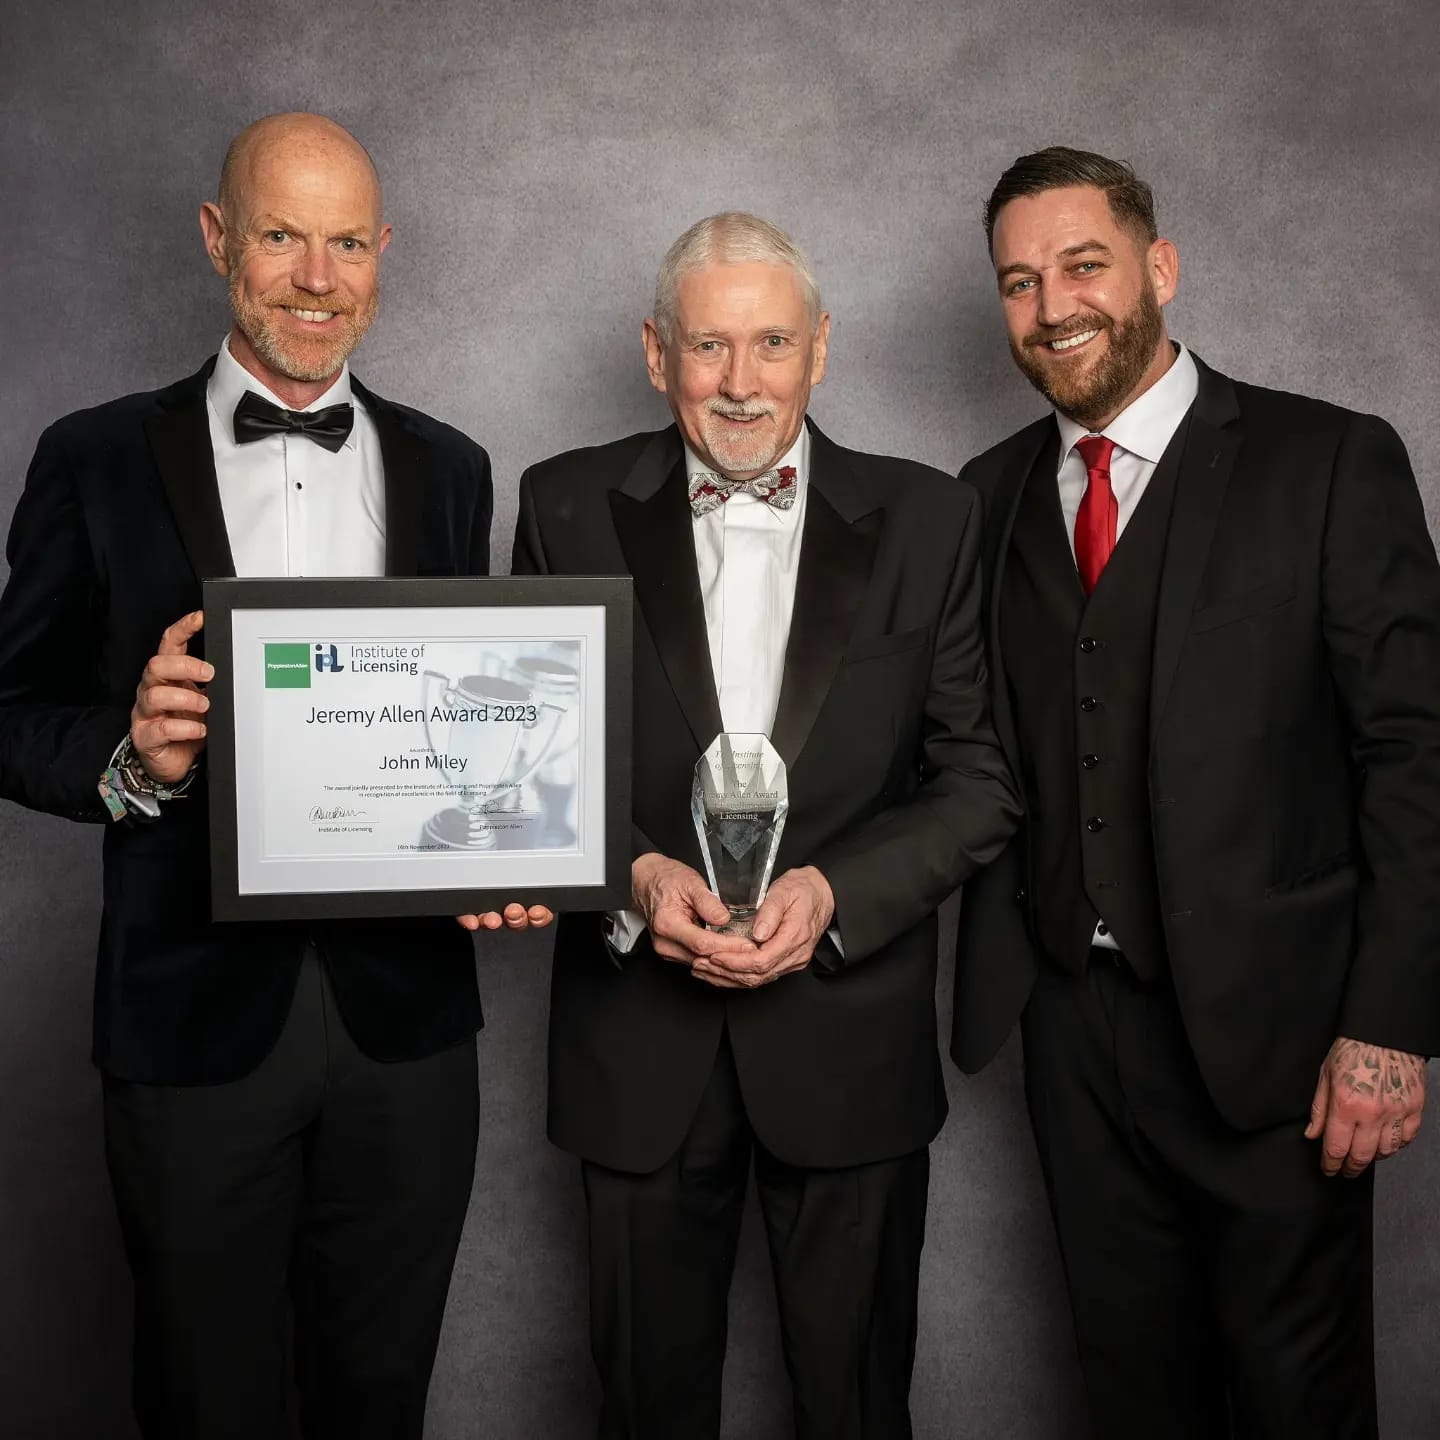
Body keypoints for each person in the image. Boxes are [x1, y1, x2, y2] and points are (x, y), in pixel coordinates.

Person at [0, 112, 548, 1440]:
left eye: (347, 241)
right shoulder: (96, 456)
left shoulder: (451, 465)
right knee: (204, 1395)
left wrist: (501, 843)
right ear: (217, 240)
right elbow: (10, 710)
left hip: (406, 1031)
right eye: (284, 237)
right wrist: (128, 758)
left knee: (380, 1395)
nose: (318, 277)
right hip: (190, 1021)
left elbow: (458, 722)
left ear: (384, 254)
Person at [951, 145, 1440, 1438]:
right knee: (1130, 1395)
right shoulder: (986, 500)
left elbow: (1416, 752)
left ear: (1158, 269)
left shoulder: (1328, 461)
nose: (1053, 305)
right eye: (1018, 280)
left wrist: (1389, 1023)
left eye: (1083, 264)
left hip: (1283, 1042)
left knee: (1298, 1401)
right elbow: (967, 761)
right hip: (1073, 1035)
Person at [513, 211, 1019, 1440]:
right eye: (709, 348)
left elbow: (977, 780)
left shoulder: (930, 518)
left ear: (822, 349)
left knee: (855, 1409)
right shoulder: (563, 504)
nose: (741, 384)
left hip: (850, 1049)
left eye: (773, 344)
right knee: (645, 1410)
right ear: (655, 354)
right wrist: (633, 877)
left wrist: (833, 896)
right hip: (639, 1044)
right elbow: (527, 765)